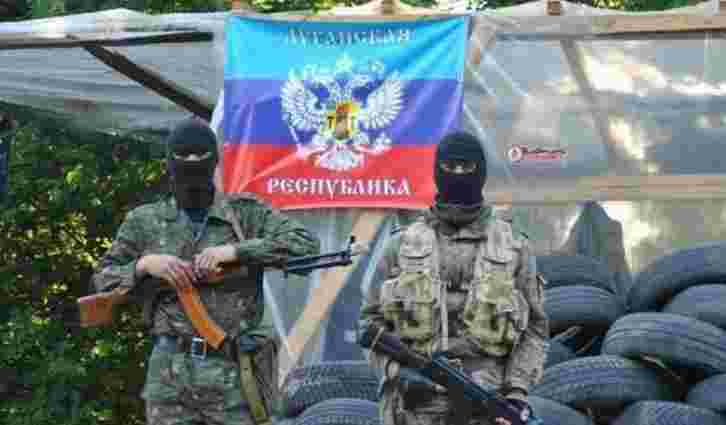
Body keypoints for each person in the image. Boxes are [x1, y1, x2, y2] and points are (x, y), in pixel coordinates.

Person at [91, 118, 320, 425]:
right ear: (169, 162)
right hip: (170, 376)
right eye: (183, 154)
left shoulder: (245, 214)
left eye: (200, 154)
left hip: (234, 375)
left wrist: (236, 252)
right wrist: (145, 265)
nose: (191, 161)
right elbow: (102, 280)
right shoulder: (144, 221)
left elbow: (305, 246)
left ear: (214, 160)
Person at [358, 131, 548, 425]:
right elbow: (369, 324)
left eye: (466, 166)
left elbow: (535, 329)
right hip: (413, 406)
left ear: (481, 172)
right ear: (437, 171)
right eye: (450, 166)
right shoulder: (401, 244)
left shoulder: (514, 246)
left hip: (486, 401)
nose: (458, 174)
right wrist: (398, 372)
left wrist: (516, 392)